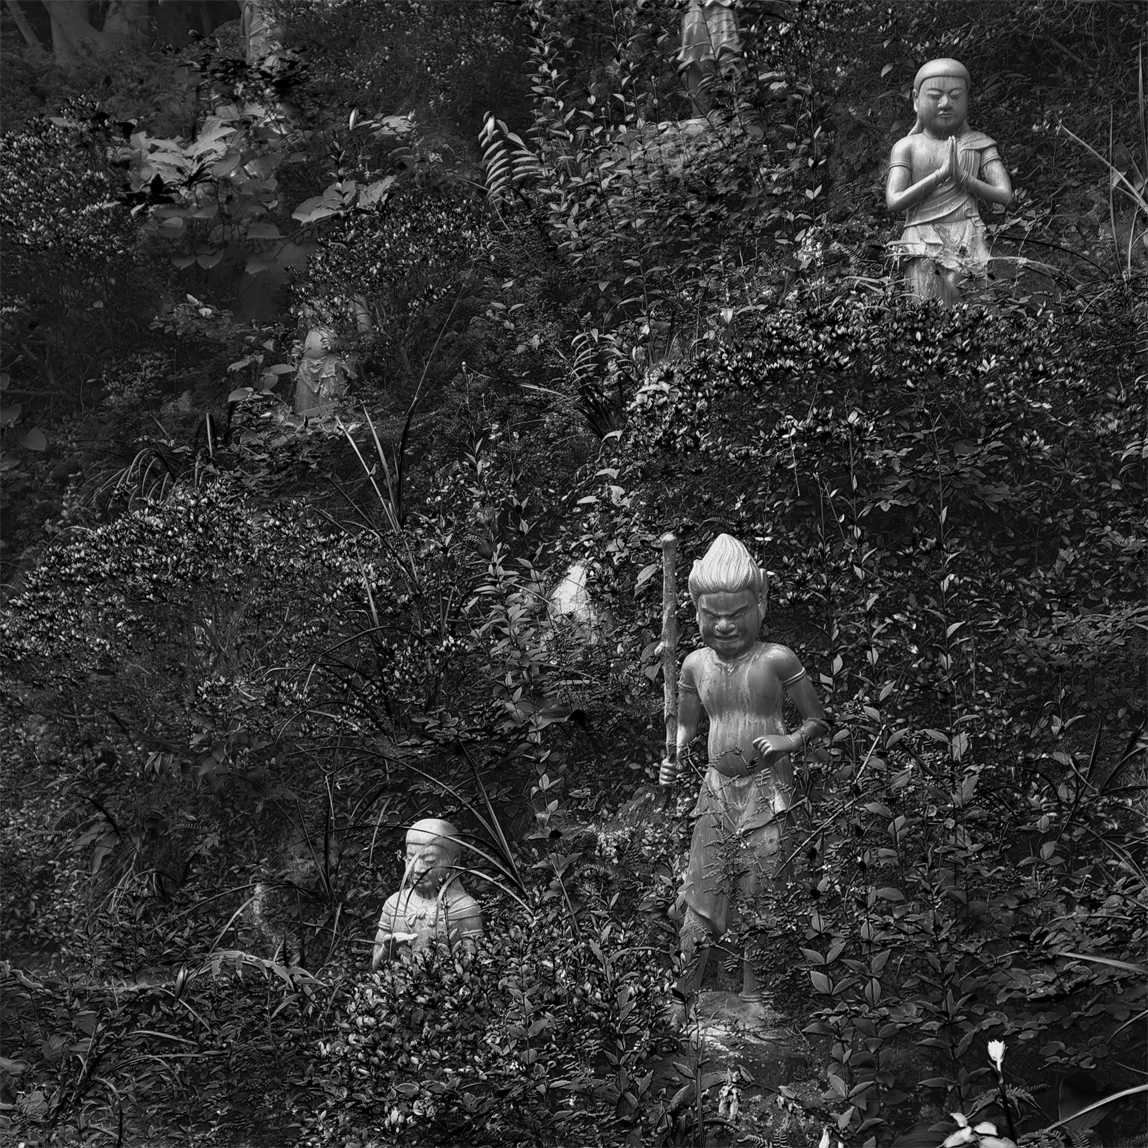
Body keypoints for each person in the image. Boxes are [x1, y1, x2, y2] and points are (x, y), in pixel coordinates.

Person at [659, 534, 827, 1015]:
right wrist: (673, 753)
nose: (725, 625)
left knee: (761, 893)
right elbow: (686, 725)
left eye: (737, 613)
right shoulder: (695, 665)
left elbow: (817, 720)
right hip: (716, 789)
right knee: (700, 894)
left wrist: (789, 741)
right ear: (696, 613)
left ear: (761, 603)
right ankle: (683, 996)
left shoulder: (776, 660)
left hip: (768, 788)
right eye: (712, 615)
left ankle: (756, 998)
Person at [886, 58, 1013, 306]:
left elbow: (1004, 194)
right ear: (916, 100)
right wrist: (940, 175)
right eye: (935, 96)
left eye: (955, 96)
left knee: (981, 312)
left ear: (966, 100)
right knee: (927, 312)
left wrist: (963, 178)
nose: (945, 104)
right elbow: (894, 201)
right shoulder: (907, 146)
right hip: (921, 240)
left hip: (969, 237)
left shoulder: (979, 143)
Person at [371, 818, 483, 970]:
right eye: (411, 859)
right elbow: (375, 968)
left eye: (429, 861)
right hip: (398, 983)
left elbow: (475, 969)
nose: (417, 869)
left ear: (454, 863)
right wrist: (386, 950)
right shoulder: (394, 905)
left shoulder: (465, 908)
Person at [679, 0, 742, 115]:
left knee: (725, 59)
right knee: (694, 60)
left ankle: (730, 115)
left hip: (719, 9)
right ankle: (701, 118)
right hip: (695, 11)